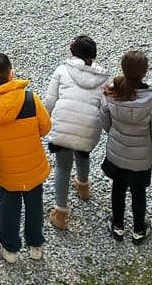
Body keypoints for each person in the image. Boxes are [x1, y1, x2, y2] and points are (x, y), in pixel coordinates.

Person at [0, 52, 51, 263]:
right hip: (33, 165)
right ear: (12, 74)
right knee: (35, 204)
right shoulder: (30, 99)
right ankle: (36, 246)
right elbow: (45, 128)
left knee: (8, 208)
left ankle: (10, 249)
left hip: (6, 167)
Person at [45, 35, 109, 231]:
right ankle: (83, 186)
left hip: (64, 125)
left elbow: (50, 100)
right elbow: (105, 107)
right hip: (89, 127)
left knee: (63, 168)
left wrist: (47, 121)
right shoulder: (103, 78)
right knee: (83, 152)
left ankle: (61, 213)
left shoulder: (62, 70)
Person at [98, 50, 152, 243]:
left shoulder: (111, 93)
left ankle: (117, 226)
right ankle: (138, 230)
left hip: (117, 153)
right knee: (138, 192)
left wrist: (117, 136)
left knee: (117, 189)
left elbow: (105, 121)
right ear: (145, 72)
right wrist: (150, 149)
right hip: (141, 158)